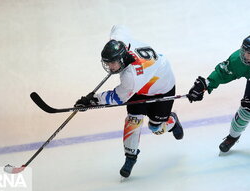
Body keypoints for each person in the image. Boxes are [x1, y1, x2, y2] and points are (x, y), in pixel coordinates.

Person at [75, 25, 184, 178]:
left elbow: (117, 97)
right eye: (107, 63)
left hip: (162, 87)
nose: (109, 67)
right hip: (141, 87)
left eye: (112, 63)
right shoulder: (120, 41)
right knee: (133, 119)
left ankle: (172, 121)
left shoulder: (131, 76)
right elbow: (118, 27)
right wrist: (113, 40)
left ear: (121, 58)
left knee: (156, 128)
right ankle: (130, 157)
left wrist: (93, 100)